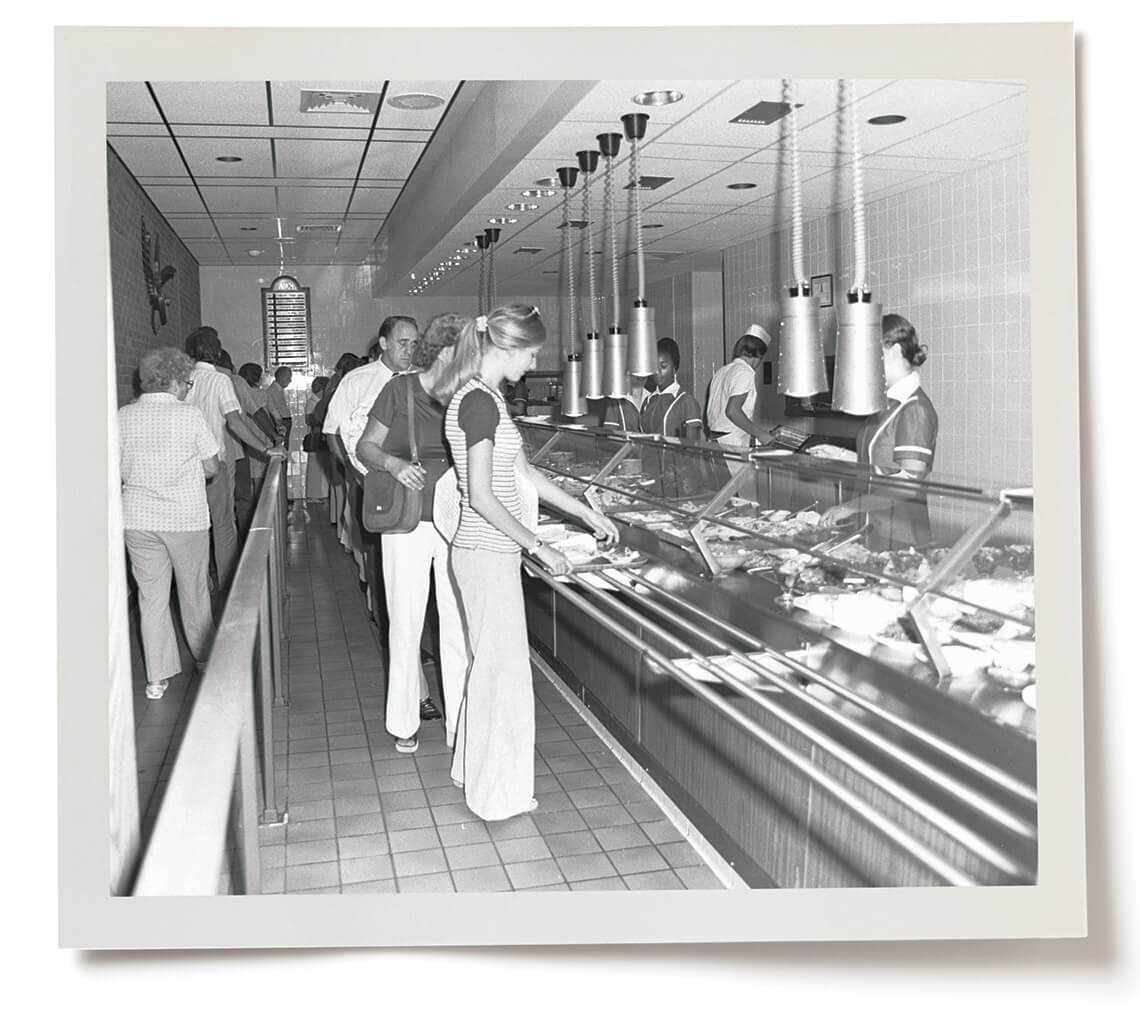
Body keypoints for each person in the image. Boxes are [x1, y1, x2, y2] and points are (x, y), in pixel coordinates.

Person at [444, 304, 619, 821]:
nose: (536, 360)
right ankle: (496, 796)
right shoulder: (477, 403)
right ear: (507, 347)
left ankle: (471, 772)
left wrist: (584, 511)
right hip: (485, 552)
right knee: (504, 676)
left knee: (492, 669)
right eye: (533, 351)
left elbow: (527, 477)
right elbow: (479, 494)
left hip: (488, 552)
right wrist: (537, 545)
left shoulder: (487, 399)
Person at [357, 314, 478, 754]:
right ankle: (404, 720)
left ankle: (460, 724)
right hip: (406, 522)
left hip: (455, 519)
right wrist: (394, 464)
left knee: (457, 623)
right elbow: (365, 446)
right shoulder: (399, 390)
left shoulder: (468, 395)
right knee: (405, 621)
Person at [119, 348, 219, 699]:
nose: (188, 389)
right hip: (184, 518)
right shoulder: (189, 416)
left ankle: (156, 678)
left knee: (151, 598)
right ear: (174, 381)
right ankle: (205, 660)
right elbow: (212, 466)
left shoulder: (123, 416)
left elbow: (116, 469)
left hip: (138, 519)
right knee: (193, 592)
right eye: (187, 382)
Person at [821, 314, 939, 548]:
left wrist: (849, 507)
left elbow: (908, 484)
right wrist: (842, 456)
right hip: (873, 526)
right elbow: (885, 465)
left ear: (893, 350)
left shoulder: (915, 408)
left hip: (900, 537)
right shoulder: (889, 402)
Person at [184, 326, 281, 591]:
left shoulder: (182, 379)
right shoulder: (220, 381)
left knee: (195, 529)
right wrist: (265, 447)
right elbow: (236, 422)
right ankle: (229, 586)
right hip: (212, 463)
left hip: (184, 467)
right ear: (216, 352)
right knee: (223, 525)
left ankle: (201, 583)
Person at [323, 317, 419, 585]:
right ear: (383, 343)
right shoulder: (357, 381)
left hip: (414, 479)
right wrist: (355, 476)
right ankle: (378, 613)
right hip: (371, 479)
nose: (409, 351)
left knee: (411, 557)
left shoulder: (421, 380)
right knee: (376, 555)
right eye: (402, 343)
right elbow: (332, 433)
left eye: (414, 344)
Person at [705, 324, 779, 451]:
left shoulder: (722, 371)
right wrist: (761, 435)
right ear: (759, 354)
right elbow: (732, 411)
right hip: (730, 444)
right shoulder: (745, 372)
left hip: (714, 440)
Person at [639, 337, 704, 439]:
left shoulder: (687, 402)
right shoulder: (648, 401)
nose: (658, 372)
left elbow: (692, 448)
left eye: (663, 366)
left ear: (674, 368)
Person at [304, 376, 331, 503]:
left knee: (320, 468)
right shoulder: (313, 402)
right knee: (315, 468)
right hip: (316, 436)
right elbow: (309, 419)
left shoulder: (319, 401)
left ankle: (320, 494)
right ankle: (313, 495)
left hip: (320, 436)